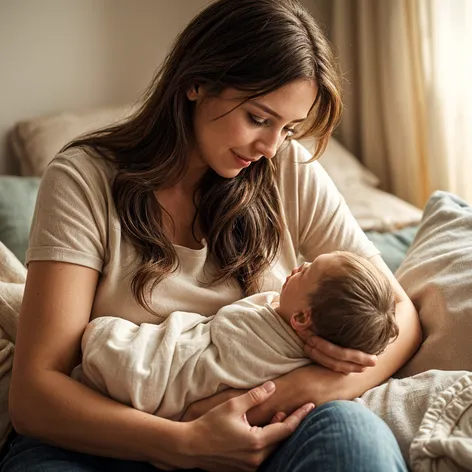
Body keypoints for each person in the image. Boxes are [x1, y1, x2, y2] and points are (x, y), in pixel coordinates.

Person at [3, 0, 422, 470]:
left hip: (262, 435)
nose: (269, 148)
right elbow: (35, 393)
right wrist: (184, 441)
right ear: (196, 83)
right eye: (259, 119)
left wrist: (304, 389)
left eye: (289, 128)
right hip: (110, 441)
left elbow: (401, 313)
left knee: (354, 435)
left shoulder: (287, 169)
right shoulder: (84, 178)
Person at [76, 250, 399, 422]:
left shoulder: (263, 333)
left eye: (308, 270)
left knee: (105, 338)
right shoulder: (294, 325)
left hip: (157, 376)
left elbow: (228, 324)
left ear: (301, 318)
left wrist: (321, 381)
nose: (300, 264)